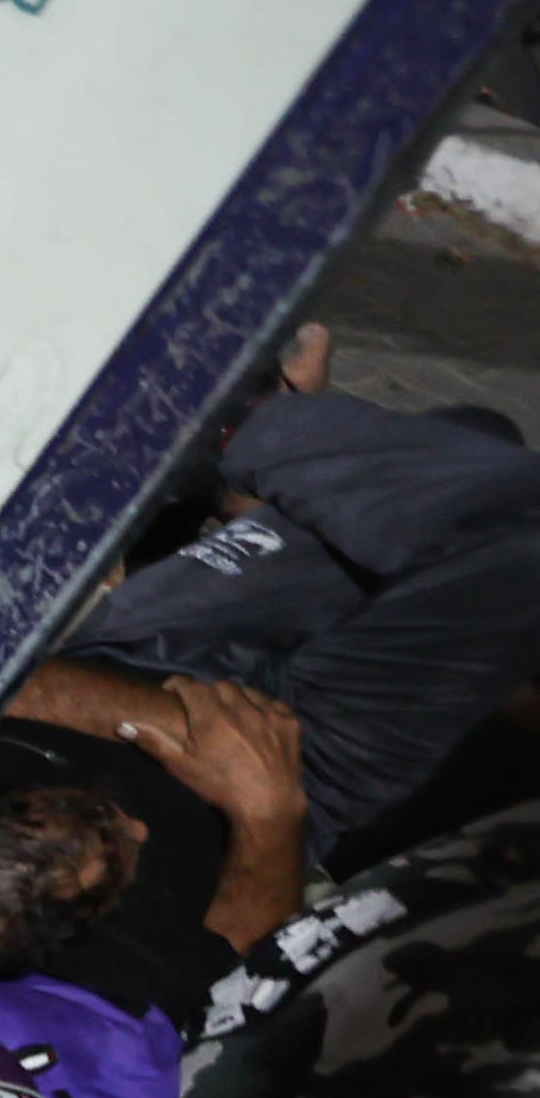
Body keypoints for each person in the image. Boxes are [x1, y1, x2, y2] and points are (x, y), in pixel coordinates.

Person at [37, 318, 540, 864]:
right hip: (291, 779)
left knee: (463, 475)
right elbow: (244, 943)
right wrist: (268, 813)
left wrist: (183, 728)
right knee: (474, 466)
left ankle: (240, 435)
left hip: (129, 670)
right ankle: (244, 442)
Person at [0, 675, 312, 1025]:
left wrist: (187, 725)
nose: (138, 829)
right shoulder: (128, 986)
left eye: (92, 807)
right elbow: (243, 974)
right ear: (74, 926)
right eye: (116, 855)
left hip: (175, 695)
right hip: (291, 825)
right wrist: (272, 811)